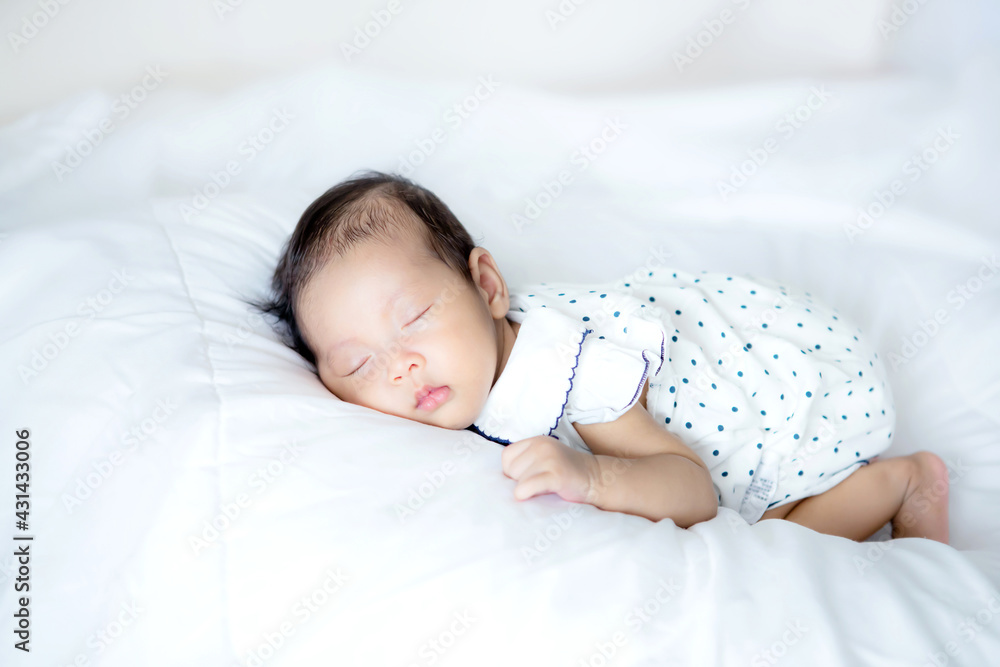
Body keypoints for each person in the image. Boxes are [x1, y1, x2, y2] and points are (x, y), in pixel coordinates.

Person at [253, 169, 950, 544]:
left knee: (775, 546)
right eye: (356, 365)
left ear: (487, 286)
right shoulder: (465, 367)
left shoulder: (566, 373)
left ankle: (901, 483)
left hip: (785, 401)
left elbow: (691, 488)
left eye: (411, 317)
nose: (398, 364)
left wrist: (593, 477)